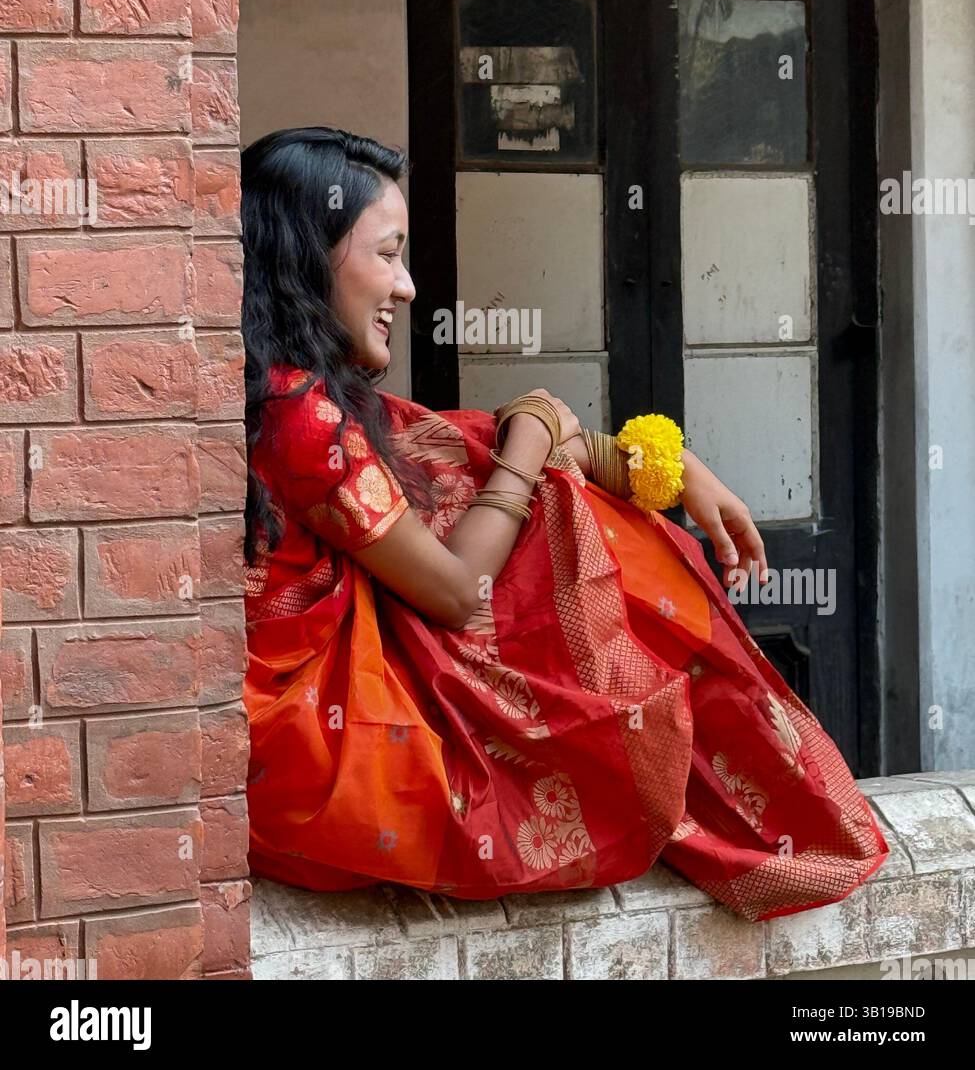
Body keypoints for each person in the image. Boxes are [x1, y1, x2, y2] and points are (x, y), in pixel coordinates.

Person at [241, 126, 889, 921]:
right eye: (387, 254)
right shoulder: (293, 412)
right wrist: (533, 441)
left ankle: (697, 772)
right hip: (320, 751)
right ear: (307, 255)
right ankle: (707, 783)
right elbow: (453, 593)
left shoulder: (288, 392)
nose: (407, 288)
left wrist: (664, 466)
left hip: (319, 732)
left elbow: (459, 447)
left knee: (474, 467)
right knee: (555, 511)